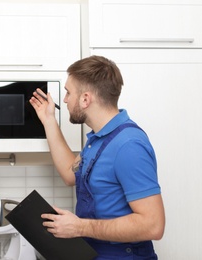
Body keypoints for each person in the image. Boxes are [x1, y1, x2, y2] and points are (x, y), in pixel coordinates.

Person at [29, 55, 165, 259]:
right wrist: (49, 120)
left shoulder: (128, 145)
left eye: (68, 92)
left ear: (85, 98)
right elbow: (70, 173)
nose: (64, 99)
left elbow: (153, 225)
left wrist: (79, 227)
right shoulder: (99, 139)